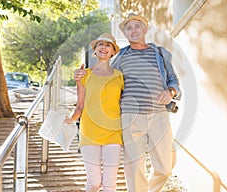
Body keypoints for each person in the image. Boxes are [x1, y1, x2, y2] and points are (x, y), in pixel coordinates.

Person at [74, 14, 181, 192]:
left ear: (145, 29)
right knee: (134, 167)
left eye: (137, 26)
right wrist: (81, 76)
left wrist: (171, 92)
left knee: (166, 167)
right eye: (128, 28)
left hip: (158, 115)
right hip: (130, 116)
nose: (133, 31)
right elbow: (104, 76)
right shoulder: (120, 57)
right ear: (125, 33)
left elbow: (173, 80)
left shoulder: (160, 53)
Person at [64, 33, 124, 192]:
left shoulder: (120, 77)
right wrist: (70, 118)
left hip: (113, 132)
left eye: (108, 45)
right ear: (95, 51)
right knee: (94, 182)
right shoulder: (85, 75)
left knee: (110, 183)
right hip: (89, 133)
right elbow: (80, 106)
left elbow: (126, 102)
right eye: (100, 45)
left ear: (112, 52)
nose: (104, 47)